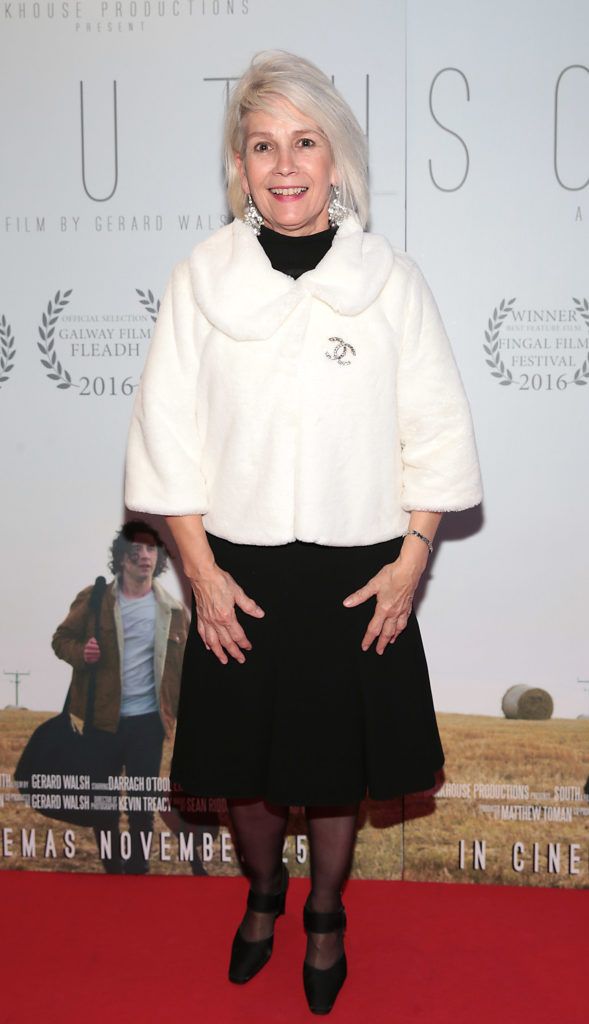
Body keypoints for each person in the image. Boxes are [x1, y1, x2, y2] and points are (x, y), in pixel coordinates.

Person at [125, 51, 482, 1013]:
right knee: (243, 773)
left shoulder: (390, 282)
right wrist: (197, 574)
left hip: (356, 573)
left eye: (305, 142)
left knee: (330, 778)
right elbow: (166, 437)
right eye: (262, 145)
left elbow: (438, 433)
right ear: (239, 163)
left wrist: (410, 564)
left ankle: (323, 912)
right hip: (231, 568)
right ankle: (263, 891)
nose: (284, 165)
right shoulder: (200, 279)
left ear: (336, 158)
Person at [52, 519, 195, 874]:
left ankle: (138, 867)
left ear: (158, 559)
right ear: (122, 557)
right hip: (103, 719)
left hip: (149, 722)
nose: (144, 556)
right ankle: (113, 867)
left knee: (143, 802)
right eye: (136, 550)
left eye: (151, 550)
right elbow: (61, 639)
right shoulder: (96, 599)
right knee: (103, 804)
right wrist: (80, 652)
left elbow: (182, 673)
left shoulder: (174, 611)